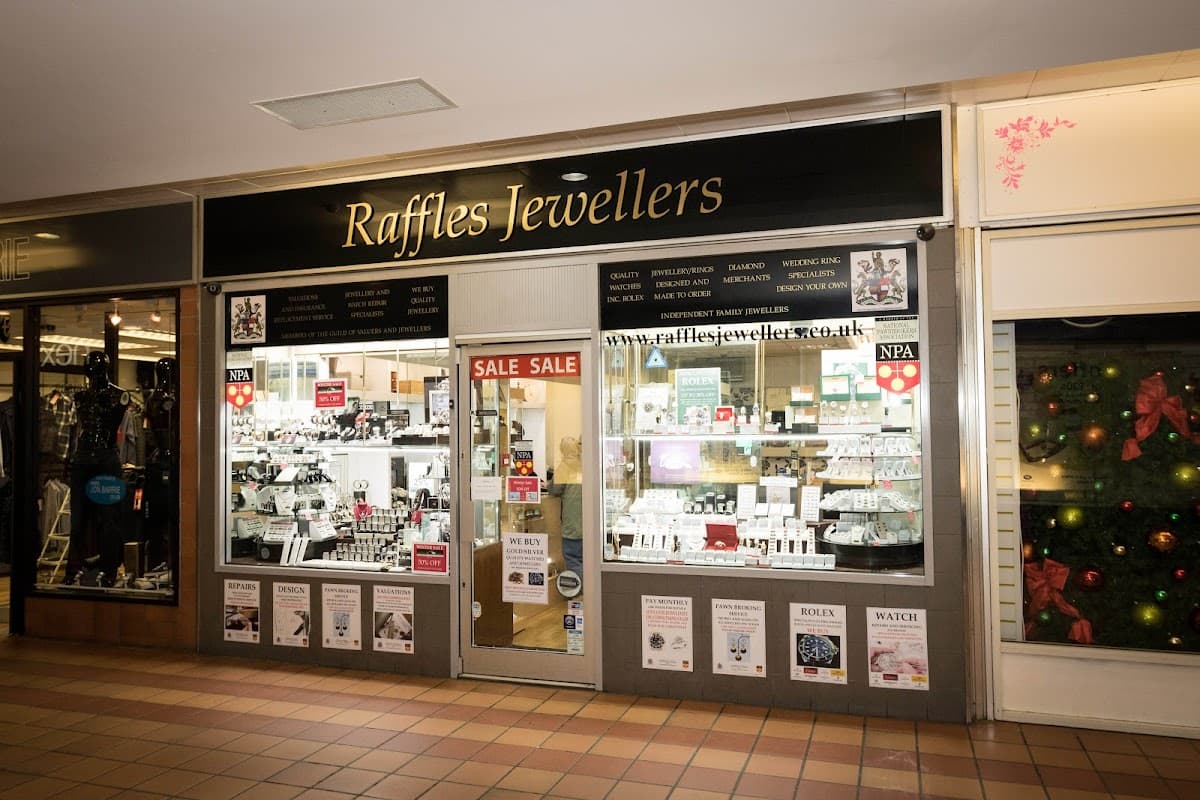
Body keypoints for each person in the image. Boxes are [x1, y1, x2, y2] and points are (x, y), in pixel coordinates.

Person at [68, 352, 130, 584]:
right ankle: (75, 566)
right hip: (83, 458)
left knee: (109, 518)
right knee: (79, 518)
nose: (92, 374)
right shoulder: (80, 396)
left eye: (95, 369)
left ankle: (109, 568)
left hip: (106, 458)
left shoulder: (119, 395)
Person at [142, 357, 178, 575]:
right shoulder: (163, 399)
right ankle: (162, 562)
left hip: (161, 461)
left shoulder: (152, 399)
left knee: (159, 519)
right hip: (166, 462)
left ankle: (162, 561)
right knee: (164, 518)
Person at [547, 436, 583, 589]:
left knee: (572, 558)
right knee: (584, 558)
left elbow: (555, 489)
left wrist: (548, 483)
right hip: (587, 525)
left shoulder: (565, 467)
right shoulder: (585, 463)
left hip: (572, 524)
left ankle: (583, 592)